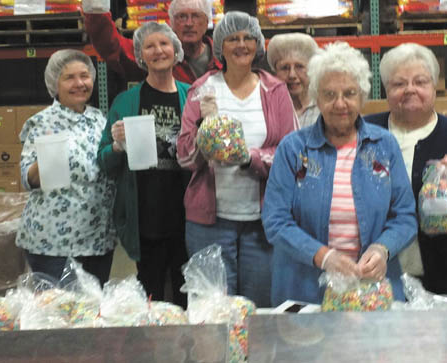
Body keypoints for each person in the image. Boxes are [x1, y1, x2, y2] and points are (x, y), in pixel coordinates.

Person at [262, 41, 418, 305]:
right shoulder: (293, 148)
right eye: (329, 94)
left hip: (371, 288)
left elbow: (405, 216)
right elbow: (275, 221)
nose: (340, 103)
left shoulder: (384, 145)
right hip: (305, 287)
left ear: (362, 96)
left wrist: (382, 249)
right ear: (316, 98)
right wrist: (324, 257)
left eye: (349, 93)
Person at [176, 11, 297, 308]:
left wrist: (249, 158)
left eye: (247, 38)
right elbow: (184, 156)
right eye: (232, 39)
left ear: (258, 44)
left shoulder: (275, 90)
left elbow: (291, 154)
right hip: (209, 224)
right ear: (220, 46)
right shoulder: (203, 89)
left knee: (259, 307)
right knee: (212, 309)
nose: (241, 44)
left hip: (262, 223)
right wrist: (205, 137)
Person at [365, 43, 447, 297]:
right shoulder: (365, 133)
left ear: (434, 86)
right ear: (386, 89)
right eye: (399, 83)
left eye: (420, 81)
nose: (410, 89)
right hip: (376, 274)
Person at [97, 22, 191, 307]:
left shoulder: (192, 96)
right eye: (149, 46)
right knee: (150, 295)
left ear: (176, 50)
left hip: (187, 216)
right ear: (140, 56)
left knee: (187, 293)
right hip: (146, 217)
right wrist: (116, 146)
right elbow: (104, 163)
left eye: (164, 44)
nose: (158, 51)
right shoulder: (125, 101)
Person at [17, 49, 116, 285]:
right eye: (69, 77)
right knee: (59, 306)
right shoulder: (43, 122)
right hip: (54, 243)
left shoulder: (99, 119)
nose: (79, 83)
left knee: (94, 305)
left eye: (84, 76)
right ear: (55, 84)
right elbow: (27, 179)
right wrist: (48, 154)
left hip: (97, 238)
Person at [82, 0, 220, 83]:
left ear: (207, 22)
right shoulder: (157, 57)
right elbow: (112, 47)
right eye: (182, 17)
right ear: (171, 23)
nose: (189, 23)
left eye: (196, 16)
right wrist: (96, 7)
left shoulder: (223, 59)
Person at [267, 33, 321, 128]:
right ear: (275, 73)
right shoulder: (267, 111)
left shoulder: (324, 109)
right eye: (285, 68)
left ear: (312, 69)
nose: (292, 75)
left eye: (299, 66)